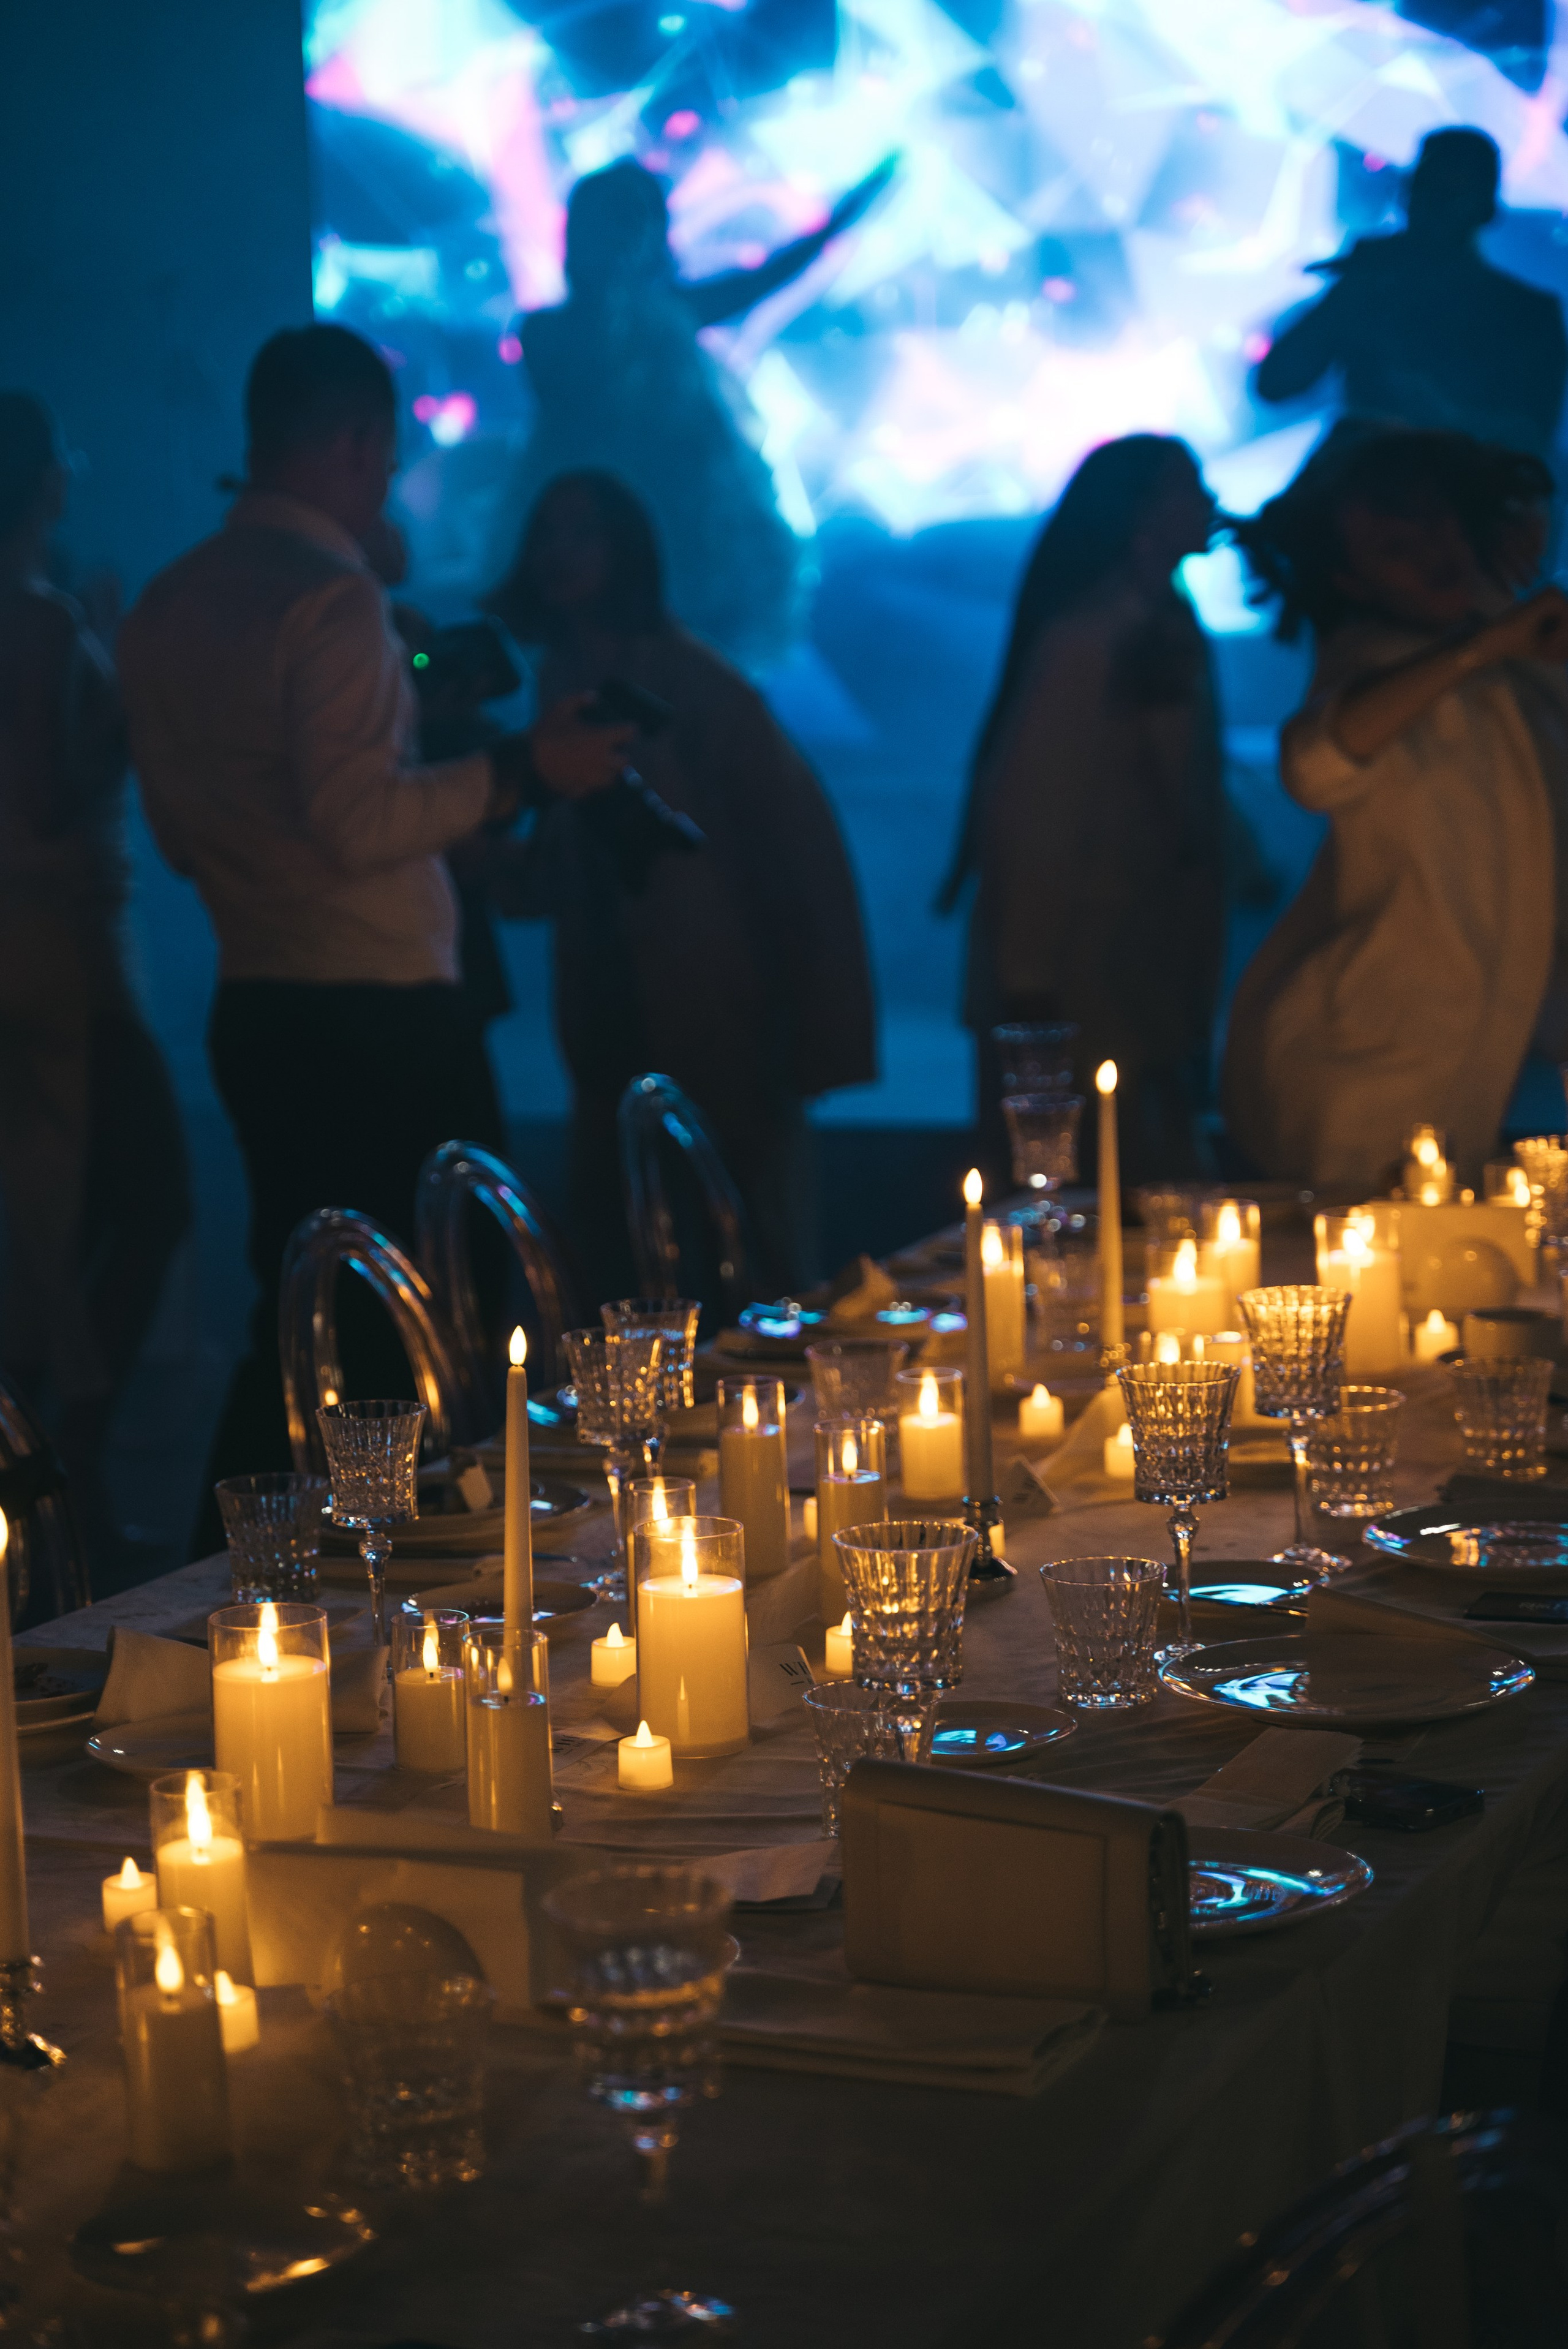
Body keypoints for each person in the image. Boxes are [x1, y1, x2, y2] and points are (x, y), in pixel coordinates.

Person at [118, 327, 630, 1540]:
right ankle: (402, 1587)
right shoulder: (333, 602)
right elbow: (356, 822)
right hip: (384, 1013)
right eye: (385, 458)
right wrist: (522, 767)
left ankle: (236, 1591)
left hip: (258, 999)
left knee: (300, 1314)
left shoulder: (167, 603)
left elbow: (184, 840)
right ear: (356, 443)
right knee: (422, 1317)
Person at [484, 468, 876, 1297]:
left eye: (582, 533)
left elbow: (797, 854)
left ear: (626, 549)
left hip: (717, 1013)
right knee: (625, 1267)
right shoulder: (563, 682)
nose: (559, 554)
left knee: (744, 1258)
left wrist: (813, 1032)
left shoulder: (698, 684)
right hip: (610, 1018)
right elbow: (570, 865)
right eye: (547, 534)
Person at [1224, 426, 1568, 1191]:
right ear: (1350, 582)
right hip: (1356, 1065)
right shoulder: (1374, 670)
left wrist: (1502, 593)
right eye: (1390, 546)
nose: (1425, 551)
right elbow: (1313, 763)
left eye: (1432, 520)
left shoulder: (1509, 670)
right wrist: (1482, 643)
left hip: (1455, 1067)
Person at [0, 392, 192, 1573]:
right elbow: (50, 806)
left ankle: (52, 1483)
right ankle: (59, 1475)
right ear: (41, 483)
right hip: (53, 959)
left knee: (47, 1222)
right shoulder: (40, 622)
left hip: (43, 955)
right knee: (133, 1198)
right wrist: (116, 685)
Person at [937, 434, 1226, 1183]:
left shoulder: (1164, 623)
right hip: (1079, 971)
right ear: (1140, 514)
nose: (1207, 501)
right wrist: (1029, 979)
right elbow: (1035, 813)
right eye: (1184, 486)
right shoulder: (1087, 640)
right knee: (1077, 1183)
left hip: (1140, 960)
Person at [490, 156, 894, 665]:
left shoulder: (670, 311)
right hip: (601, 509)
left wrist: (845, 216)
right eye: (617, 224)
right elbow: (571, 411)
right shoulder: (546, 332)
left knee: (683, 652)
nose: (629, 238)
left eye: (640, 224)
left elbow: (767, 278)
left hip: (690, 518)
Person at [1255, 127, 1568, 461]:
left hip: (1455, 504)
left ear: (1484, 209)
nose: (1434, 207)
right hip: (1369, 494)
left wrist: (1440, 415)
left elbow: (1533, 441)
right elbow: (1274, 384)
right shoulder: (1372, 290)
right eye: (1427, 188)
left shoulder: (1529, 315)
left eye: (1453, 192)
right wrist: (1350, 293)